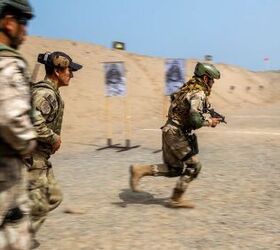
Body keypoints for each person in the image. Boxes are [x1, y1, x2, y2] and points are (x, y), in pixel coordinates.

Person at [130, 62, 222, 208]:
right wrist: (209, 121)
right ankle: (176, 198)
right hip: (176, 133)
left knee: (174, 169)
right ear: (205, 78)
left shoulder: (187, 88)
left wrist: (211, 113)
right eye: (212, 80)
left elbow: (182, 105)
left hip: (169, 130)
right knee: (194, 166)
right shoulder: (198, 93)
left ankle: (140, 170)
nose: (212, 83)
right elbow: (195, 120)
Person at [27, 51, 82, 243]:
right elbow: (33, 122)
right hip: (32, 158)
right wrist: (53, 139)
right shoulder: (46, 93)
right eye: (69, 70)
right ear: (58, 71)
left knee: (54, 196)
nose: (72, 75)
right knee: (40, 207)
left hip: (41, 158)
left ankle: (16, 226)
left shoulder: (51, 93)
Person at [0, 0, 36, 249]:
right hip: (6, 170)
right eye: (23, 22)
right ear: (8, 21)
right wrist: (28, 143)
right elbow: (10, 117)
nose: (25, 31)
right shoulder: (7, 63)